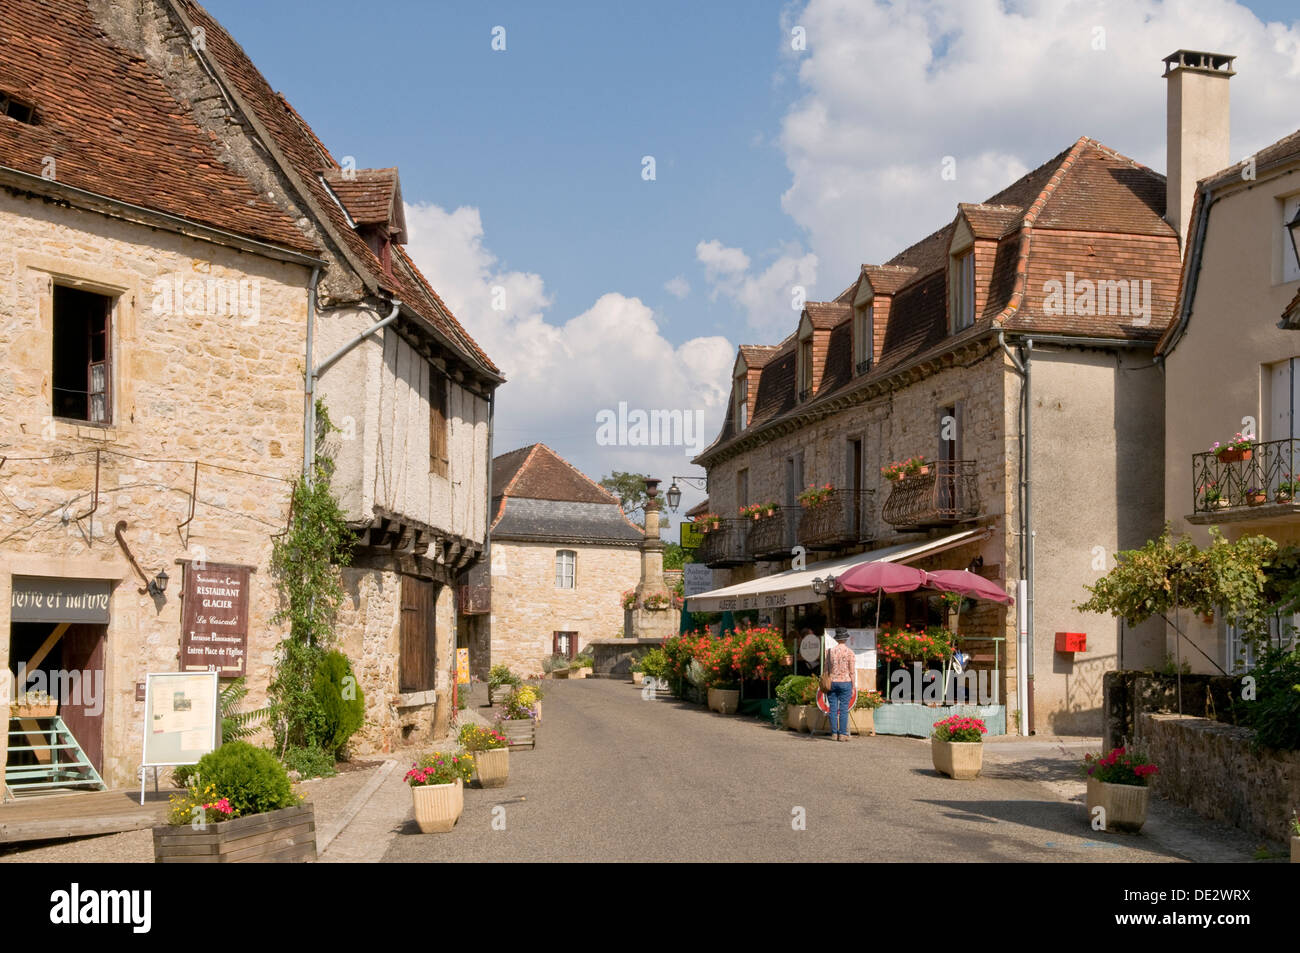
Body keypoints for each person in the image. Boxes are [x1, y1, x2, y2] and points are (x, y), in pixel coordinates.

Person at [825, 628, 857, 741]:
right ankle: (843, 734)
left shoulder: (829, 652)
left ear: (836, 639)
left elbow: (826, 669)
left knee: (832, 708)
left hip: (832, 682)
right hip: (846, 682)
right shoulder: (850, 653)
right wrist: (853, 686)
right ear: (846, 639)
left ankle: (834, 733)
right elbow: (852, 671)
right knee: (843, 709)